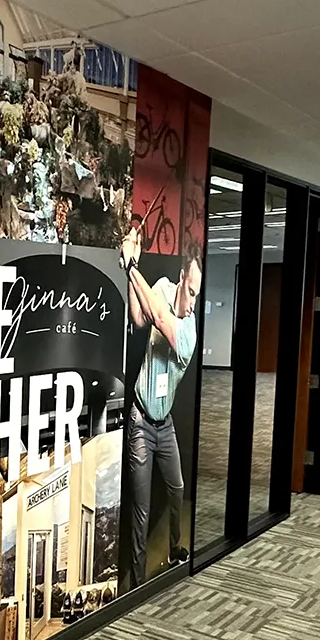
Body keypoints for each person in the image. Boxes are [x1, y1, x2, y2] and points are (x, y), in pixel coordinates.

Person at [121, 228, 201, 585]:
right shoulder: (165, 288)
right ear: (182, 279)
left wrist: (132, 265)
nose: (193, 303)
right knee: (140, 508)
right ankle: (137, 582)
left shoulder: (188, 333)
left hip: (164, 425)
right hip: (140, 421)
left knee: (177, 489)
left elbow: (157, 318)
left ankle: (174, 547)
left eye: (198, 295)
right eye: (191, 291)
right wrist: (130, 270)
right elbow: (139, 317)